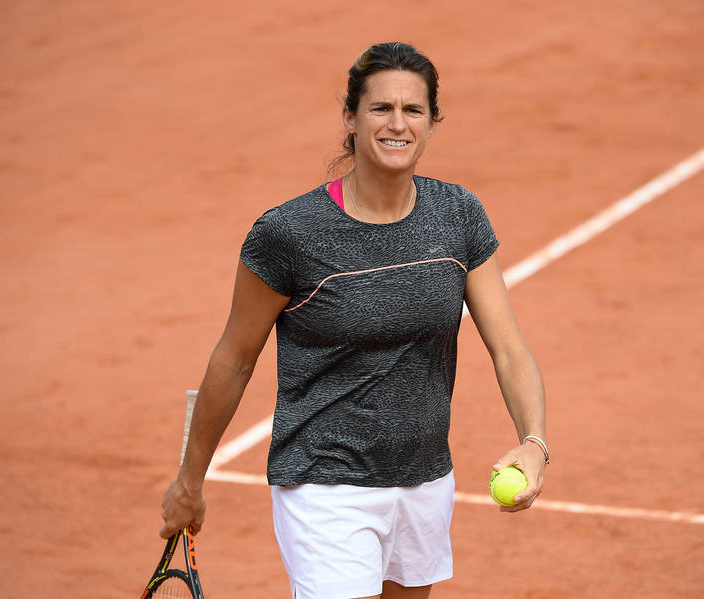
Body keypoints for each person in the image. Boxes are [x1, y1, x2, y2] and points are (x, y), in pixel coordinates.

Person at [159, 41, 548, 599]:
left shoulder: (459, 216)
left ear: (432, 122)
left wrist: (534, 441)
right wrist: (190, 481)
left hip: (423, 478)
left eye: (413, 110)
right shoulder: (290, 234)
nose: (398, 124)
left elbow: (508, 348)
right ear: (350, 117)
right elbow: (235, 358)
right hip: (324, 485)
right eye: (380, 108)